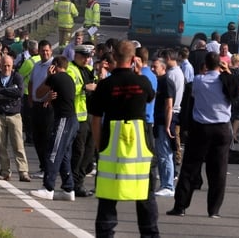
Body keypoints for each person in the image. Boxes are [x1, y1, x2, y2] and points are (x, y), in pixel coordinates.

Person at [88, 40, 159, 238]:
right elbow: (150, 97)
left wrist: (99, 145)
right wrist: (137, 73)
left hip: (111, 145)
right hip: (140, 146)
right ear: (134, 58)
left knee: (107, 196)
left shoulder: (105, 85)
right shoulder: (142, 82)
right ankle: (150, 234)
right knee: (145, 194)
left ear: (114, 56)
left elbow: (95, 119)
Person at [168, 52, 239, 218]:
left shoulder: (199, 81)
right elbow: (236, 88)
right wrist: (227, 71)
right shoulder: (227, 81)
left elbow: (191, 94)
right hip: (221, 128)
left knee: (190, 167)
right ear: (220, 65)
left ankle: (181, 206)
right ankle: (214, 209)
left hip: (201, 127)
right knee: (218, 170)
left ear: (205, 65)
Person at [30, 56, 79, 201]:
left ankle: (48, 187)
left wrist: (48, 77)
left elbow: (37, 93)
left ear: (55, 66)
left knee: (53, 151)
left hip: (63, 120)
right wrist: (49, 98)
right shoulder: (68, 79)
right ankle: (68, 188)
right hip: (72, 120)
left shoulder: (55, 78)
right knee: (64, 155)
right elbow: (59, 96)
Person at [0, 53, 30, 182]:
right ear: (0, 65)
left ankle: (23, 171)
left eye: (8, 65)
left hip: (14, 115)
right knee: (1, 145)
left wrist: (2, 91)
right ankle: (5, 171)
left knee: (18, 145)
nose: (6, 68)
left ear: (12, 66)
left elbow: (18, 93)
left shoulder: (17, 77)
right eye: (4, 65)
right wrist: (8, 92)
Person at [68, 44, 98, 198]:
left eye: (89, 57)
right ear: (76, 55)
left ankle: (79, 182)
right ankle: (72, 183)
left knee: (89, 151)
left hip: (91, 115)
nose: (87, 59)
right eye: (84, 56)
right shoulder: (71, 69)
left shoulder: (88, 70)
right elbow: (70, 87)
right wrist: (85, 87)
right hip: (78, 117)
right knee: (78, 151)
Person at [154, 49, 184, 197]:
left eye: (156, 67)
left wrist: (167, 124)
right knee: (162, 153)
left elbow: (169, 105)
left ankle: (168, 185)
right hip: (165, 118)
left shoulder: (168, 79)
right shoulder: (167, 78)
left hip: (167, 118)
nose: (153, 70)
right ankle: (166, 183)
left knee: (165, 153)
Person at [28, 40, 55, 179]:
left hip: (48, 106)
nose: (45, 53)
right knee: (36, 138)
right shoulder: (37, 65)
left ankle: (47, 167)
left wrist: (49, 99)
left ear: (51, 51)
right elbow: (31, 82)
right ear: (38, 51)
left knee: (46, 138)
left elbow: (55, 86)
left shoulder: (53, 66)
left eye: (47, 50)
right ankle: (42, 166)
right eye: (42, 50)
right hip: (36, 105)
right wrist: (31, 100)